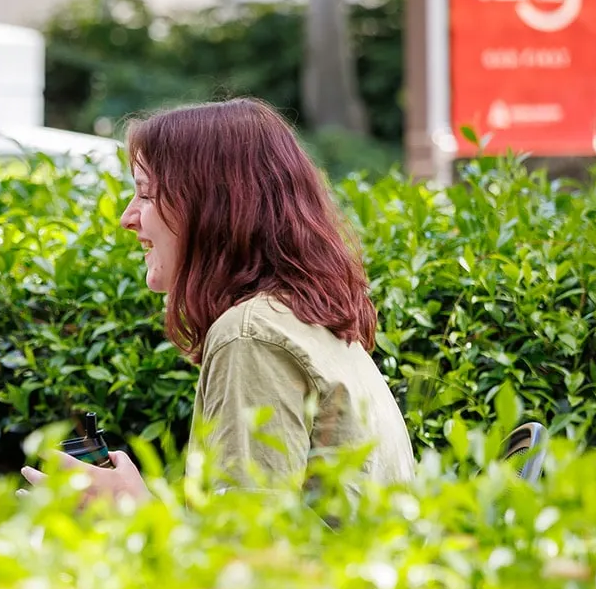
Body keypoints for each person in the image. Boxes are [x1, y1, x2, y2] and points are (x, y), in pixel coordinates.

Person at [25, 98, 414, 499]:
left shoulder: (251, 335)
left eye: (146, 194)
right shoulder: (305, 324)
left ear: (210, 207)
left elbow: (247, 549)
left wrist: (131, 510)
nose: (127, 217)